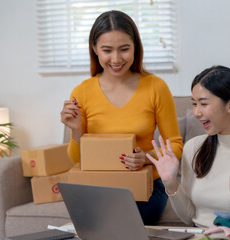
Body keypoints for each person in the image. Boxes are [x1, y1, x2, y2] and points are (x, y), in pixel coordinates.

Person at [60, 10, 183, 225]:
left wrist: (146, 157)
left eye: (124, 49)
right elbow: (77, 159)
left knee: (113, 224)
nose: (116, 59)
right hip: (99, 187)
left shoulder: (156, 87)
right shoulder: (82, 92)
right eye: (107, 50)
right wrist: (77, 131)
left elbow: (175, 144)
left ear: (135, 47)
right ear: (95, 49)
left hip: (146, 187)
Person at [146, 65, 230, 227]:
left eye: (203, 104)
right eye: (194, 104)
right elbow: (189, 218)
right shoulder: (193, 148)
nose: (196, 112)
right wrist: (170, 184)